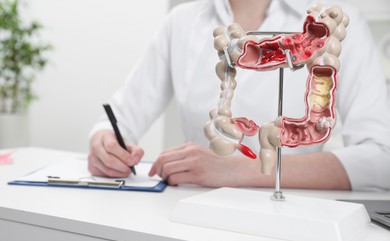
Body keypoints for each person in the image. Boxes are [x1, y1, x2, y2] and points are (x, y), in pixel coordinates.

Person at [88, 0, 390, 191]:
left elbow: (381, 159)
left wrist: (237, 169)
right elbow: (119, 120)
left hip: (293, 221)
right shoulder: (181, 21)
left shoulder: (332, 22)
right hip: (189, 216)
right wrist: (104, 143)